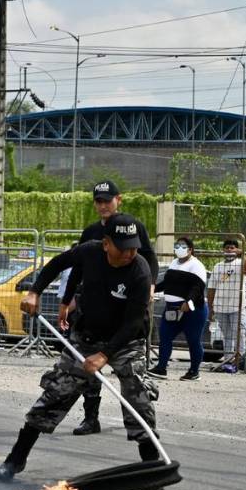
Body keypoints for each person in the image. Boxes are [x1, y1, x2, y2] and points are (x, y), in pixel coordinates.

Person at [0, 214, 160, 482]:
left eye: (134, 246)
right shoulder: (90, 252)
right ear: (107, 244)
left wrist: (105, 355)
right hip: (86, 337)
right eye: (124, 246)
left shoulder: (140, 271)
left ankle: (151, 460)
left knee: (136, 389)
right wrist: (35, 291)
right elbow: (57, 264)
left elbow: (132, 323)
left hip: (125, 341)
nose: (130, 252)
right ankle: (16, 458)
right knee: (58, 390)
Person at [60, 180, 159, 435]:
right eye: (99, 201)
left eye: (108, 200)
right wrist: (67, 299)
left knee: (130, 372)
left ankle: (140, 423)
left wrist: (150, 285)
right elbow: (77, 267)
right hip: (94, 311)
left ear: (119, 200)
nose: (103, 205)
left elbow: (149, 257)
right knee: (89, 368)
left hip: (125, 307)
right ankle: (91, 417)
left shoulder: (133, 227)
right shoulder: (91, 232)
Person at [147, 237, 208, 381]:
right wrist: (152, 288)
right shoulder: (174, 263)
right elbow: (167, 283)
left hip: (191, 311)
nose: (179, 248)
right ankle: (161, 368)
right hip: (171, 309)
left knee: (193, 340)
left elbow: (198, 287)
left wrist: (189, 301)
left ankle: (194, 371)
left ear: (190, 249)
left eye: (183, 246)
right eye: (177, 245)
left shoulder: (196, 265)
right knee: (165, 337)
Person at [208, 239, 246, 368]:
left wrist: (242, 254)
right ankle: (227, 360)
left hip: (237, 306)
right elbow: (211, 288)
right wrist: (210, 308)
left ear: (236, 250)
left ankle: (242, 361)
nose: (229, 250)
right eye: (227, 247)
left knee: (239, 334)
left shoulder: (240, 263)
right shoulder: (218, 266)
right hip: (220, 306)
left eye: (232, 248)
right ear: (223, 250)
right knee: (226, 335)